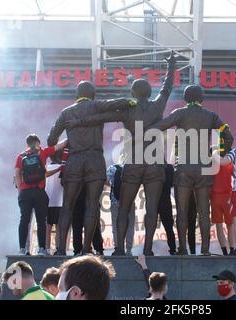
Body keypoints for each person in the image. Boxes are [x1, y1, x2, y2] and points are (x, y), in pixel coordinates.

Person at [65, 52, 177, 256]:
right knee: (152, 209)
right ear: (149, 92)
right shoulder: (157, 105)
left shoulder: (127, 110)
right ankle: (148, 249)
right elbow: (167, 88)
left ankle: (118, 249)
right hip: (154, 163)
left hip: (133, 162)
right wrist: (172, 66)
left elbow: (102, 116)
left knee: (124, 207)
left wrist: (79, 122)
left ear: (133, 93)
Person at [47, 81, 132, 256]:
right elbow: (117, 102)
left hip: (74, 160)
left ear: (77, 95)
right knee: (92, 204)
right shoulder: (96, 106)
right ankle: (87, 249)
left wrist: (57, 158)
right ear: (92, 95)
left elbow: (51, 139)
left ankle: (61, 249)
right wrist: (132, 100)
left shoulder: (66, 112)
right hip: (94, 158)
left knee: (67, 205)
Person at [149, 85, 233, 255]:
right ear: (201, 98)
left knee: (182, 210)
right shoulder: (211, 116)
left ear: (186, 98)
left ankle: (182, 249)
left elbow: (160, 126)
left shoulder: (179, 113)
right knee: (204, 211)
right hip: (203, 168)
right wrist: (219, 152)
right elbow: (228, 136)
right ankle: (205, 250)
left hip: (184, 168)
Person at [14, 134, 68, 256]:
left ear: (27, 144)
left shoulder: (20, 156)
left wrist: (20, 191)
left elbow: (17, 174)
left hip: (25, 193)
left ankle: (22, 249)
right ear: (38, 143)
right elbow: (61, 145)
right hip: (39, 192)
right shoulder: (42, 152)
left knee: (24, 220)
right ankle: (42, 249)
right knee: (41, 221)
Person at [107, 156, 135, 256]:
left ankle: (118, 248)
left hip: (115, 201)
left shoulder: (112, 168)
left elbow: (106, 182)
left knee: (115, 226)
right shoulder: (133, 168)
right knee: (130, 226)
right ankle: (128, 250)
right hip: (130, 202)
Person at [210, 146, 235, 256]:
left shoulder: (210, 165)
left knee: (219, 225)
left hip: (215, 197)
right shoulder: (228, 164)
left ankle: (224, 251)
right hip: (228, 198)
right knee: (230, 225)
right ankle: (233, 250)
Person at [72, 188, 105, 256]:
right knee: (94, 226)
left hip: (77, 197)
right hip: (90, 198)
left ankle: (78, 250)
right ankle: (98, 249)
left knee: (77, 226)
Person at [158, 164, 177, 255]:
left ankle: (148, 248)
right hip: (165, 201)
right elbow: (171, 183)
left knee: (151, 226)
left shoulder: (151, 168)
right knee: (169, 227)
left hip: (156, 200)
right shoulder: (169, 168)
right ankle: (173, 249)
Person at [45, 159, 63, 254]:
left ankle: (47, 249)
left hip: (47, 200)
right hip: (60, 200)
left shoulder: (45, 166)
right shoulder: (62, 167)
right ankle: (58, 249)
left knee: (47, 227)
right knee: (59, 227)